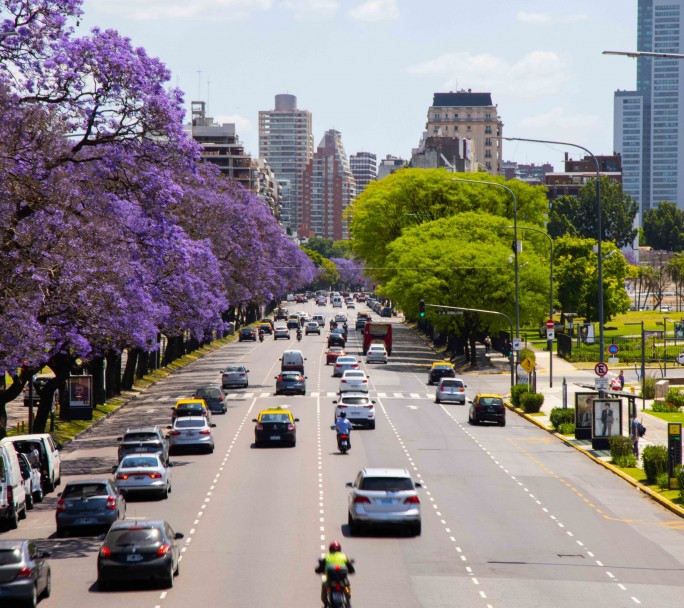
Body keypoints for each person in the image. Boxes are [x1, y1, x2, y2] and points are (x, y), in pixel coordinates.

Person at [315, 541, 355, 607]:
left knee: (324, 585)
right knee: (347, 587)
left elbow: (319, 570)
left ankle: (325, 602)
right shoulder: (344, 557)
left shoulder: (327, 557)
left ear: (330, 549)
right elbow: (351, 570)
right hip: (343, 581)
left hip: (331, 581)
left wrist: (318, 569)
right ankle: (348, 601)